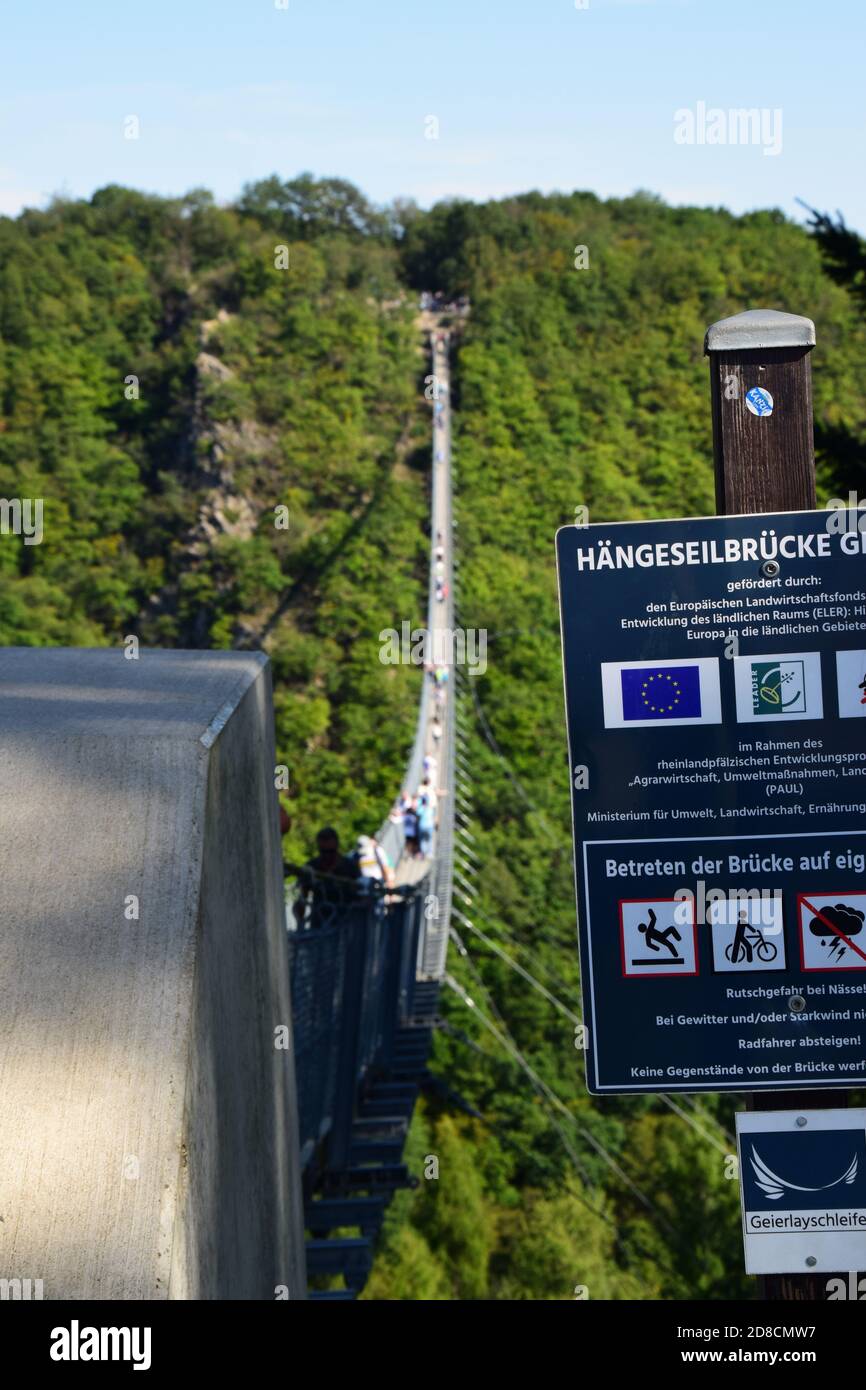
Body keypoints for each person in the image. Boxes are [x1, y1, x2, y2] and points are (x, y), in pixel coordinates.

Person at [293, 827, 361, 929]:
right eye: (323, 852)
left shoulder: (349, 867)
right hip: (320, 924)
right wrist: (299, 924)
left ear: (337, 847)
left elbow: (360, 896)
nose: (327, 856)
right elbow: (302, 898)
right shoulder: (312, 867)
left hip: (346, 925)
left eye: (330, 852)